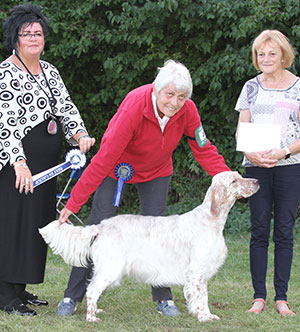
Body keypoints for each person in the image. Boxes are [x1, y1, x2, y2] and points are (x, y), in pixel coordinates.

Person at [56, 59, 230, 317]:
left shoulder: (188, 110)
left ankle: (163, 299)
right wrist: (72, 205)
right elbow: (102, 160)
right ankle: (72, 296)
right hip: (117, 169)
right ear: (156, 90)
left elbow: (204, 150)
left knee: (161, 232)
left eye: (182, 96)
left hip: (157, 172)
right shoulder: (135, 107)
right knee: (98, 226)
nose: (175, 102)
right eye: (169, 94)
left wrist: (228, 178)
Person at [0, 4, 95, 316]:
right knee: (13, 224)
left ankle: (21, 288)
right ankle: (5, 296)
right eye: (26, 33)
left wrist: (80, 135)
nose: (33, 38)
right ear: (14, 38)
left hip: (49, 166)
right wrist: (19, 163)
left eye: (37, 33)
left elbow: (66, 109)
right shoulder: (5, 73)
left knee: (36, 225)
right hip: (19, 166)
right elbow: (6, 123)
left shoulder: (50, 70)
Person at [235, 29, 300, 316]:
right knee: (259, 231)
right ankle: (259, 296)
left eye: (272, 53)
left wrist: (283, 152)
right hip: (256, 168)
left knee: (284, 232)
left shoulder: (298, 87)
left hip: (289, 167)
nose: (266, 58)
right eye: (261, 54)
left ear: (284, 55)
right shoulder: (250, 87)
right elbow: (242, 128)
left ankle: (282, 297)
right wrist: (251, 154)